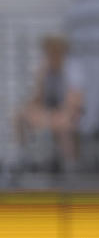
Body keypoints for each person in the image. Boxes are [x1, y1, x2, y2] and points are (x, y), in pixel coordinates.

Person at [15, 35, 85, 172]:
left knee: (63, 124)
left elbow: (74, 102)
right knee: (20, 117)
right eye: (48, 52)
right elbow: (38, 97)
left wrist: (55, 116)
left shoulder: (73, 69)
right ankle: (24, 157)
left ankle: (70, 165)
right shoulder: (44, 68)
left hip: (73, 112)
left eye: (54, 51)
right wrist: (30, 107)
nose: (50, 55)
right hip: (51, 111)